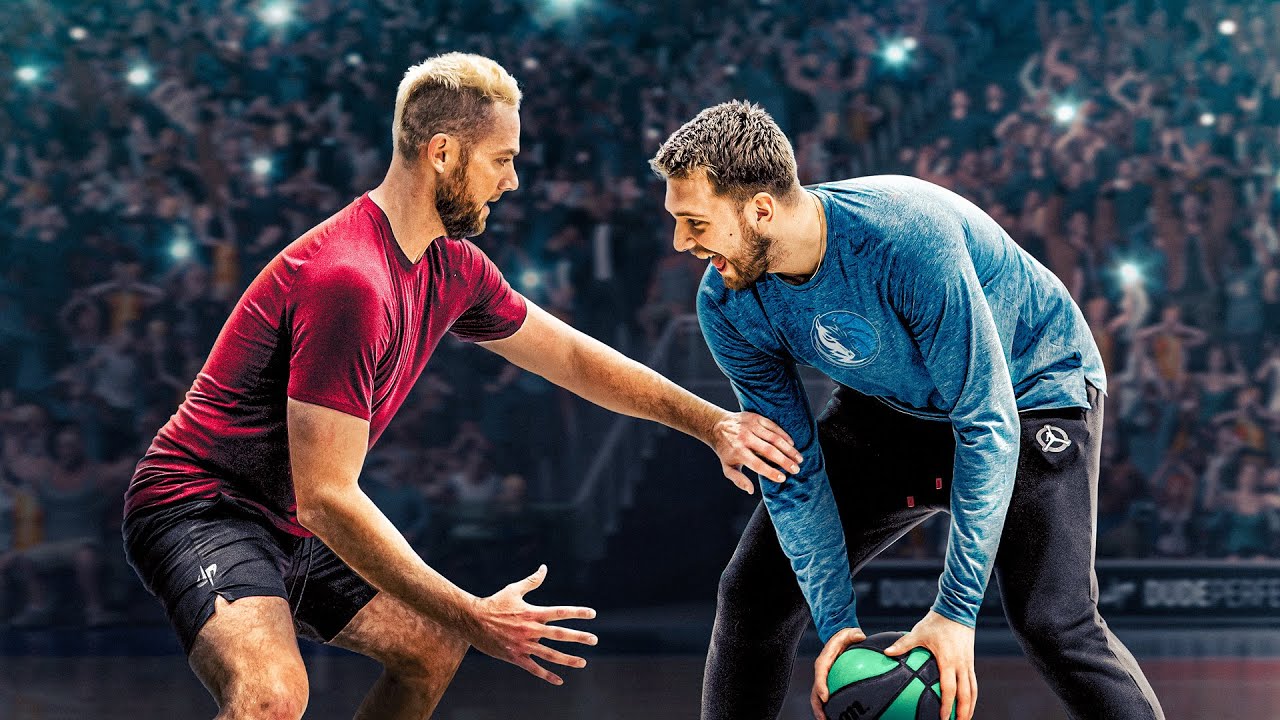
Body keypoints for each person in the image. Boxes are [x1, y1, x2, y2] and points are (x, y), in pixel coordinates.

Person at [122, 56, 801, 720]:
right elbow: (326, 498)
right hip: (202, 506)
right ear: (443, 153)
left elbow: (572, 357)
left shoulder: (452, 268)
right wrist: (476, 614)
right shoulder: (349, 281)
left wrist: (712, 423)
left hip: (289, 518)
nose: (511, 181)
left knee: (429, 647)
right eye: (501, 159)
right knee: (272, 697)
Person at [649, 101, 1165, 720]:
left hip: (1029, 389)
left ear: (760, 209)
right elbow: (791, 466)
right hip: (892, 404)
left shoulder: (904, 236)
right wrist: (837, 623)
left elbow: (987, 419)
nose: (681, 242)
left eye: (695, 223)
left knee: (1054, 621)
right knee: (754, 592)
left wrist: (955, 613)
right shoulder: (727, 304)